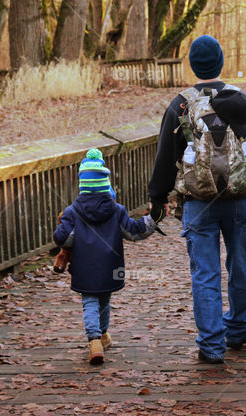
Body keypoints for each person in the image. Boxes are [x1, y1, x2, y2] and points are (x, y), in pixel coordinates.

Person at [148, 35, 246, 363]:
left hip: (198, 203)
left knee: (205, 272)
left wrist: (157, 198)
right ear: (221, 61)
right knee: (239, 264)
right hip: (240, 199)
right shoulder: (244, 100)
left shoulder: (181, 105)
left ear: (192, 64)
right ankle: (239, 330)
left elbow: (165, 157)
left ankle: (212, 346)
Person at [53, 149, 157, 365]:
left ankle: (94, 340)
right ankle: (104, 334)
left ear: (83, 185)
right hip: (110, 266)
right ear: (105, 184)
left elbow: (62, 239)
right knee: (104, 298)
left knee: (89, 300)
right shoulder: (117, 210)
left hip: (83, 266)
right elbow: (134, 232)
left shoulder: (73, 211)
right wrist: (154, 218)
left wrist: (65, 227)